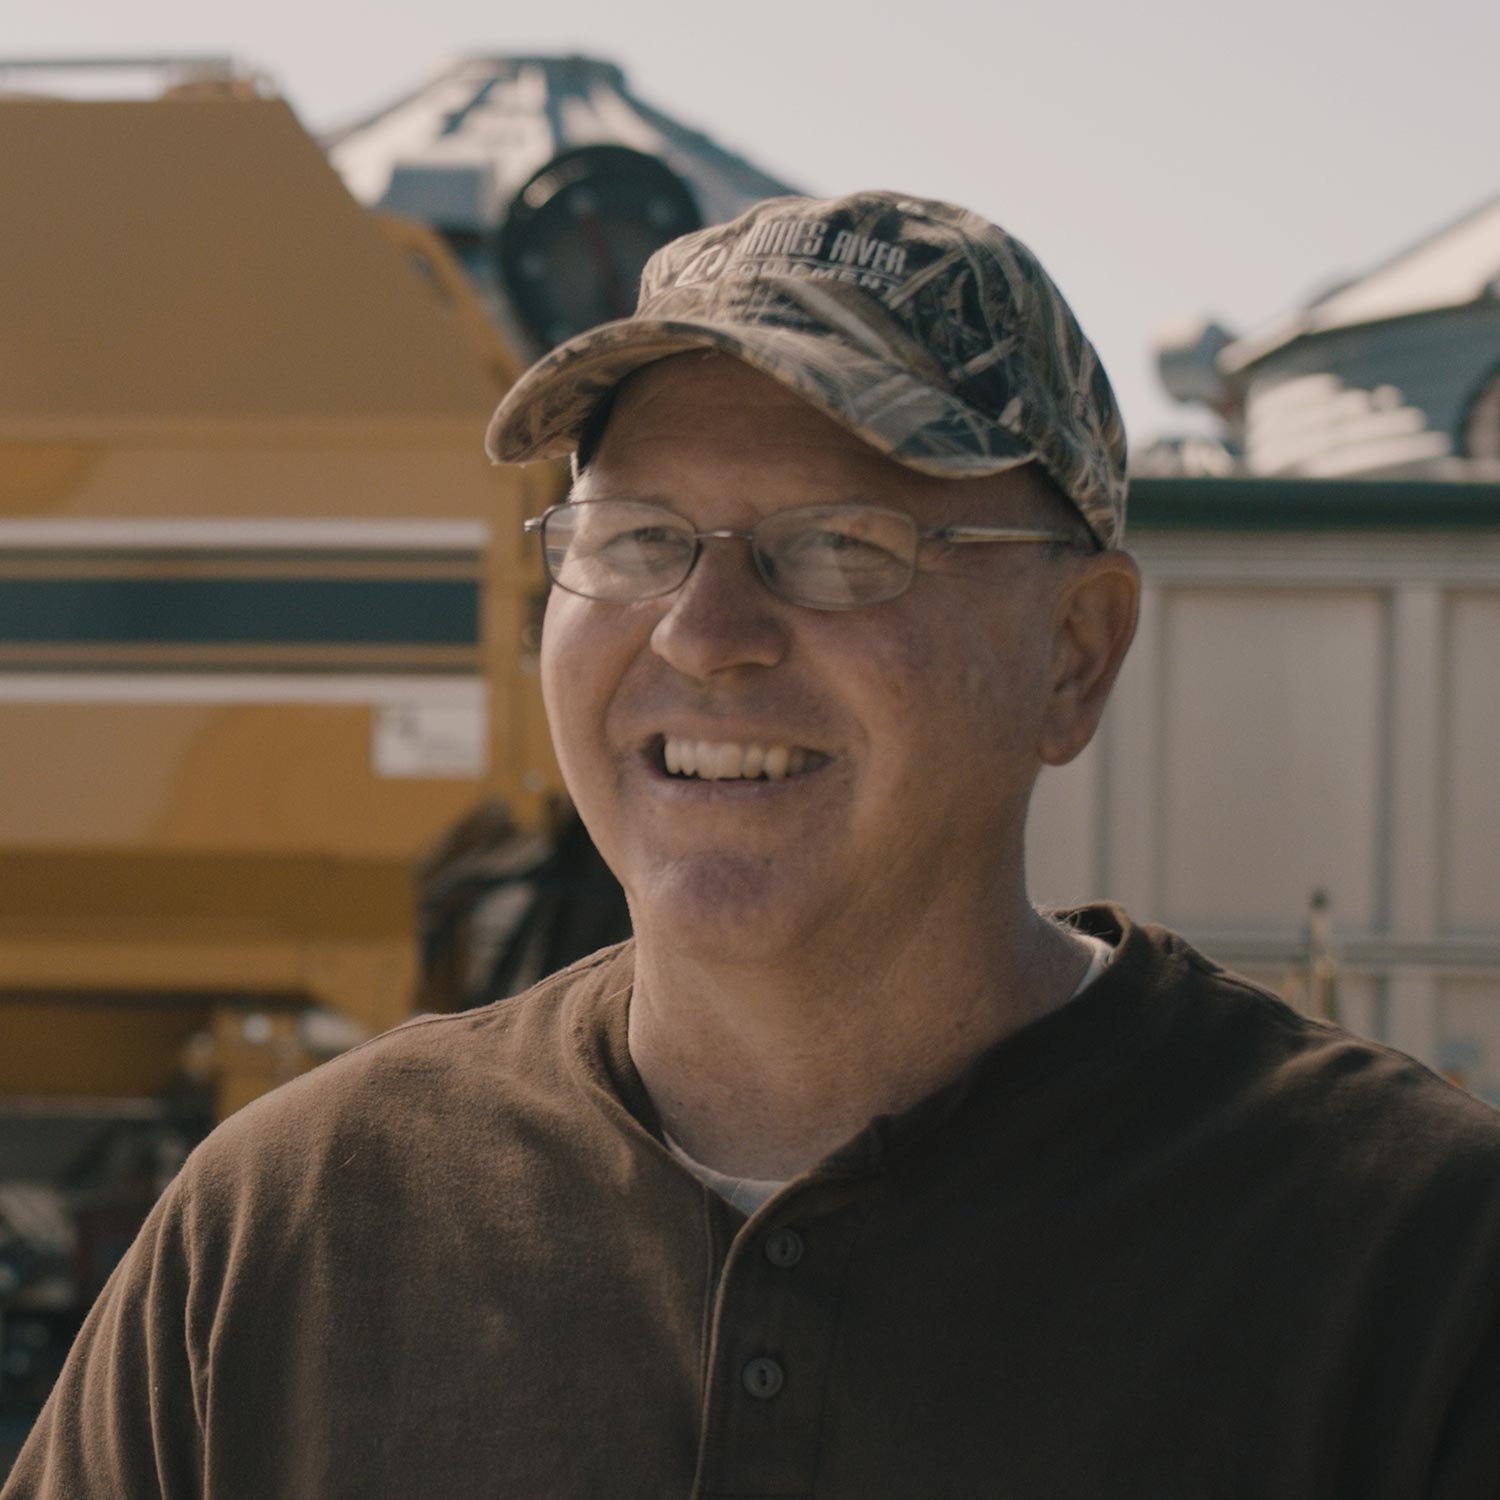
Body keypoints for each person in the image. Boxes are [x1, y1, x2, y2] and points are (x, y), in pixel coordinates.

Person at [7, 191, 1499, 1499]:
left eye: (843, 542)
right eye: (637, 540)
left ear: (1075, 654)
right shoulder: (292, 1228)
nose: (705, 633)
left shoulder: (1405, 1263)